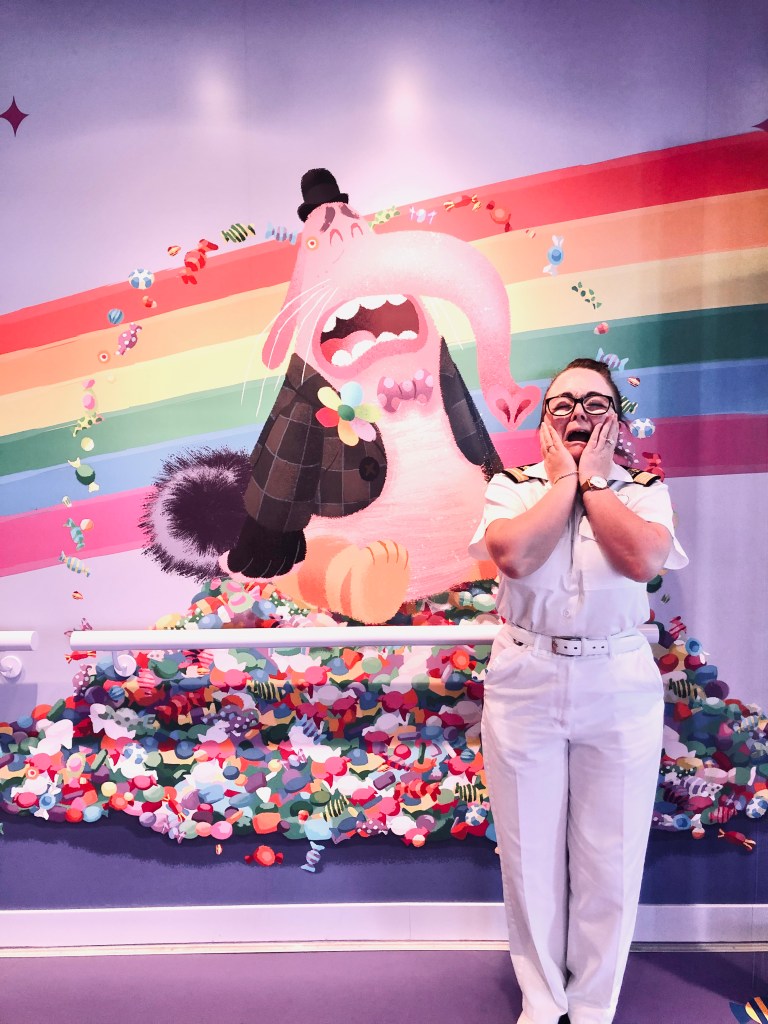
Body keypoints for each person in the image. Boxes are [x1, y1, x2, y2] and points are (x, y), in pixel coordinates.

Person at [469, 358, 688, 1024]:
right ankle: (542, 1001)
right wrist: (563, 480)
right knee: (530, 854)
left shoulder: (642, 490)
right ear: (542, 421)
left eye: (595, 403)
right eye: (561, 403)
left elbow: (642, 559)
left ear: (615, 420)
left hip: (616, 682)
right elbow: (513, 554)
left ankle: (593, 1006)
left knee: (609, 855)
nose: (577, 415)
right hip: (525, 680)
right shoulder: (510, 487)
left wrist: (593, 481)